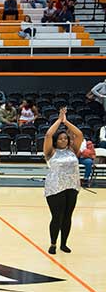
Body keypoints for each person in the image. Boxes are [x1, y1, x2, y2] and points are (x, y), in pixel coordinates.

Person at [43, 107, 82, 255]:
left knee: (67, 216)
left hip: (72, 186)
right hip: (55, 187)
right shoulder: (50, 151)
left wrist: (66, 122)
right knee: (57, 216)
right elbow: (48, 135)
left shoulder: (72, 150)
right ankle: (53, 243)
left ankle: (64, 243)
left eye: (65, 138)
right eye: (60, 138)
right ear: (56, 140)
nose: (63, 140)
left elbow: (79, 134)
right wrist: (59, 121)